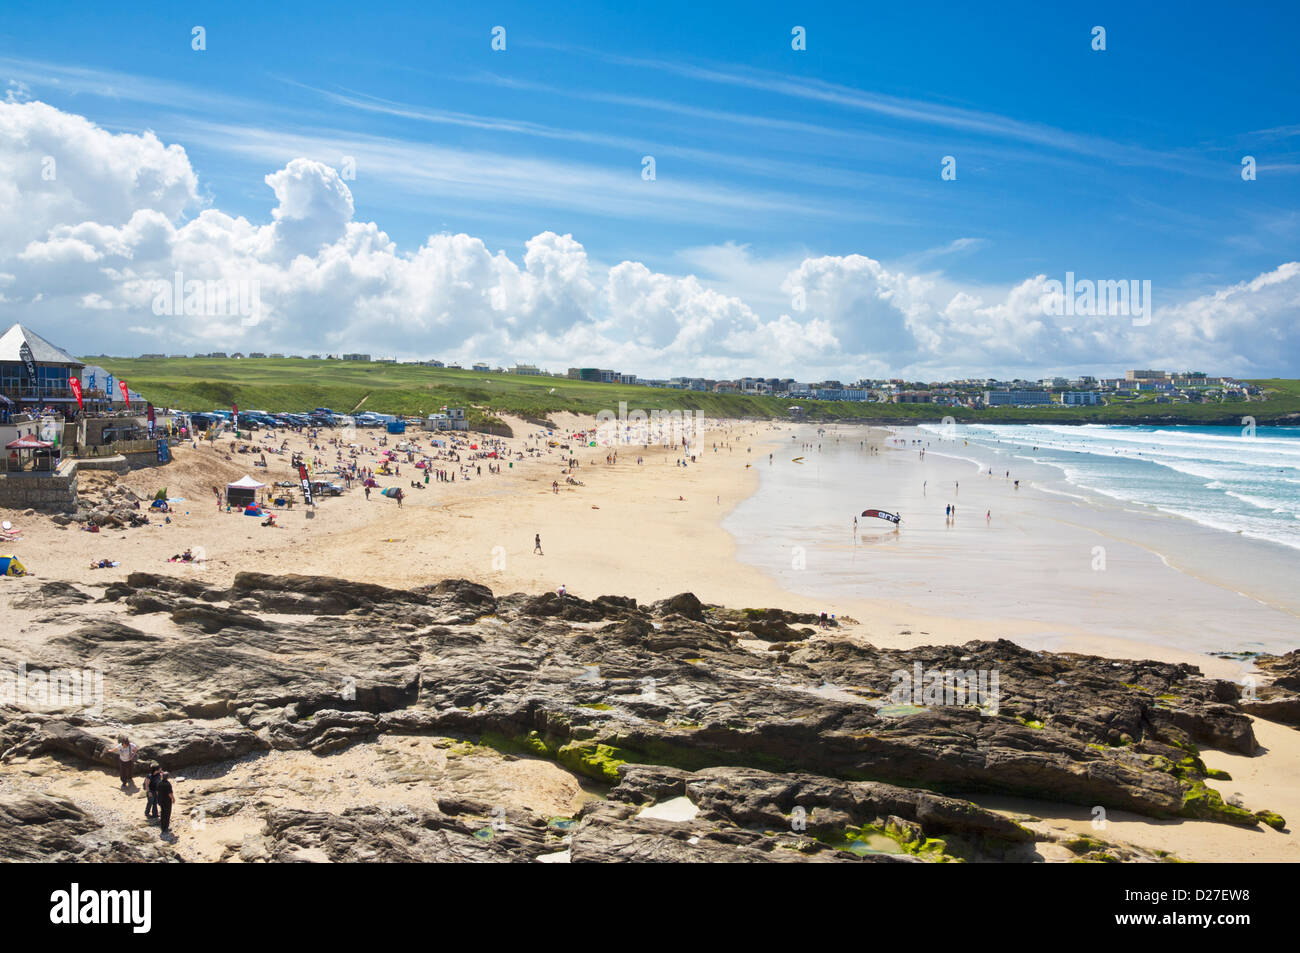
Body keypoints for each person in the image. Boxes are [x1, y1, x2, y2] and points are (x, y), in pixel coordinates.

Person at [156, 770, 174, 835]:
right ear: (167, 777)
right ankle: (166, 827)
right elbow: (170, 793)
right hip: (167, 801)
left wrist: (159, 798)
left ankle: (162, 827)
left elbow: (157, 792)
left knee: (162, 813)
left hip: (161, 800)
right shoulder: (168, 784)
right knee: (167, 814)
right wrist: (173, 799)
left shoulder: (159, 783)